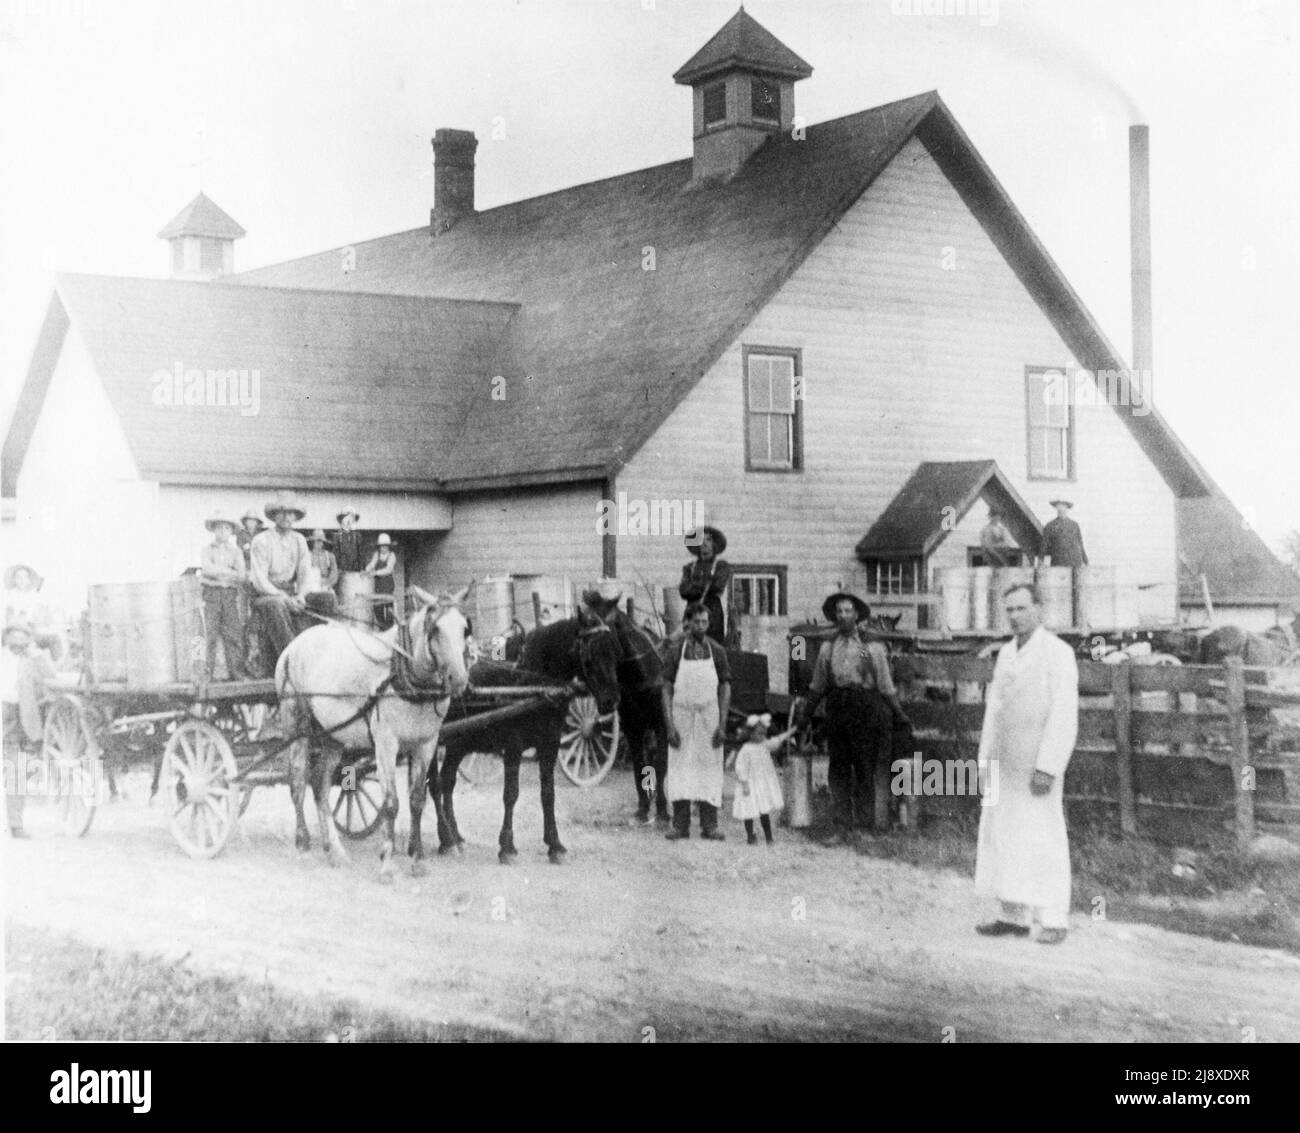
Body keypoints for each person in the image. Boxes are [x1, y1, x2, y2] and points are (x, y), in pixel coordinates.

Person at [974, 582, 1079, 945]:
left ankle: (1053, 918)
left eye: (1021, 608)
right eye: (1010, 610)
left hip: (1036, 761)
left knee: (1043, 836)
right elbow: (995, 711)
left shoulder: (1057, 652)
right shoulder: (1005, 654)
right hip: (1005, 761)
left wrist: (1048, 766)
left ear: (1039, 609)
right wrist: (984, 760)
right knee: (1005, 835)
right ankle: (1013, 914)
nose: (1015, 617)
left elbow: (1064, 714)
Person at [797, 591, 909, 842]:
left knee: (863, 767)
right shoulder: (828, 647)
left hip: (864, 708)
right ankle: (841, 826)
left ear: (857, 615)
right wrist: (805, 715)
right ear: (834, 616)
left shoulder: (869, 647)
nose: (844, 615)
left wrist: (899, 714)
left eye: (848, 611)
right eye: (839, 611)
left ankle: (864, 827)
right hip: (838, 707)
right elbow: (818, 685)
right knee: (837, 768)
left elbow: (885, 685)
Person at [582, 579, 669, 824]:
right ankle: (645, 801)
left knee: (655, 750)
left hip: (650, 693)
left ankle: (660, 800)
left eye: (602, 607)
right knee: (638, 751)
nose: (599, 613)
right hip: (628, 695)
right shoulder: (602, 632)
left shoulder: (626, 630)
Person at [661, 601, 731, 840]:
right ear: (687, 622)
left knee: (709, 766)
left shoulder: (717, 651)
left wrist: (722, 725)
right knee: (680, 766)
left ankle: (709, 825)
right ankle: (680, 825)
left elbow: (725, 687)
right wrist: (670, 725)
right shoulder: (675, 651)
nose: (701, 626)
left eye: (705, 622)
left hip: (709, 716)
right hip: (682, 715)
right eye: (696, 622)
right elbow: (666, 688)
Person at [3, 622, 56, 838]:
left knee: (16, 770)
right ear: (6, 639)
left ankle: (15, 825)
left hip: (18, 716)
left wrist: (36, 654)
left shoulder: (30, 660)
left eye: (23, 638)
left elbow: (50, 675)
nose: (18, 642)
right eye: (13, 637)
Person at [248, 492, 313, 668]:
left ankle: (321, 653)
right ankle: (292, 661)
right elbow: (259, 580)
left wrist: (301, 595)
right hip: (266, 595)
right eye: (281, 512)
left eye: (291, 513)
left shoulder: (299, 540)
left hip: (291, 593)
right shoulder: (261, 540)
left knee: (325, 599)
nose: (286, 517)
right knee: (276, 604)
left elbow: (305, 573)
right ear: (274, 516)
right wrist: (282, 596)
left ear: (296, 517)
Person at [729, 713, 795, 845]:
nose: (762, 736)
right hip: (750, 784)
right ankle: (750, 836)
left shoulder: (765, 745)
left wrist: (791, 731)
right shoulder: (746, 749)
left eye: (763, 733)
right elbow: (740, 767)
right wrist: (745, 784)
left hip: (762, 784)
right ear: (751, 733)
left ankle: (769, 837)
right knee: (749, 811)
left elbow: (777, 740)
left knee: (764, 810)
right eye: (759, 733)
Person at [199, 512, 248, 681]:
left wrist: (219, 572)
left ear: (231, 532)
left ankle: (237, 673)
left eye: (226, 528)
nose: (222, 532)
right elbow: (206, 569)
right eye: (219, 528)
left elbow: (241, 575)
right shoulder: (206, 549)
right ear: (213, 530)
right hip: (211, 595)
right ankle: (207, 675)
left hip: (229, 595)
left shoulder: (236, 552)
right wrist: (228, 572)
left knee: (233, 634)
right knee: (209, 634)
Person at [678, 526, 732, 646]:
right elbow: (683, 590)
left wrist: (694, 586)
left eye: (708, 540)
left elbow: (717, 585)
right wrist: (706, 582)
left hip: (713, 615)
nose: (704, 544)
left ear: (714, 545)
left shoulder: (721, 566)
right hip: (691, 614)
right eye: (701, 541)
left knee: (712, 648)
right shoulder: (689, 568)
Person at [1040, 499, 1088, 567]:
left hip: (1075, 563)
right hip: (1058, 562)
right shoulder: (1050, 526)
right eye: (1059, 505)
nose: (1061, 508)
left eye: (1063, 505)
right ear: (1056, 507)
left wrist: (1086, 562)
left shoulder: (1074, 525)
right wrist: (1040, 561)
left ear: (1067, 507)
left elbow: (1080, 544)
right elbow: (1044, 545)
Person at [365, 534, 398, 630]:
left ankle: (389, 627)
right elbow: (372, 564)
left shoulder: (392, 555)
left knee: (388, 608)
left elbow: (388, 569)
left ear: (388, 546)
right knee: (377, 608)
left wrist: (375, 573)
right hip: (378, 585)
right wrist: (367, 569)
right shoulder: (377, 554)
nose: (383, 548)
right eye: (381, 546)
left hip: (388, 585)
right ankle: (382, 627)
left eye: (385, 546)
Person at [334, 507, 365, 575]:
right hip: (342, 570)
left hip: (355, 570)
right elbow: (336, 554)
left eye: (351, 519)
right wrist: (337, 569)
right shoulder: (338, 536)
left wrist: (362, 568)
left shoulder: (357, 536)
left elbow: (361, 554)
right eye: (346, 519)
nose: (348, 521)